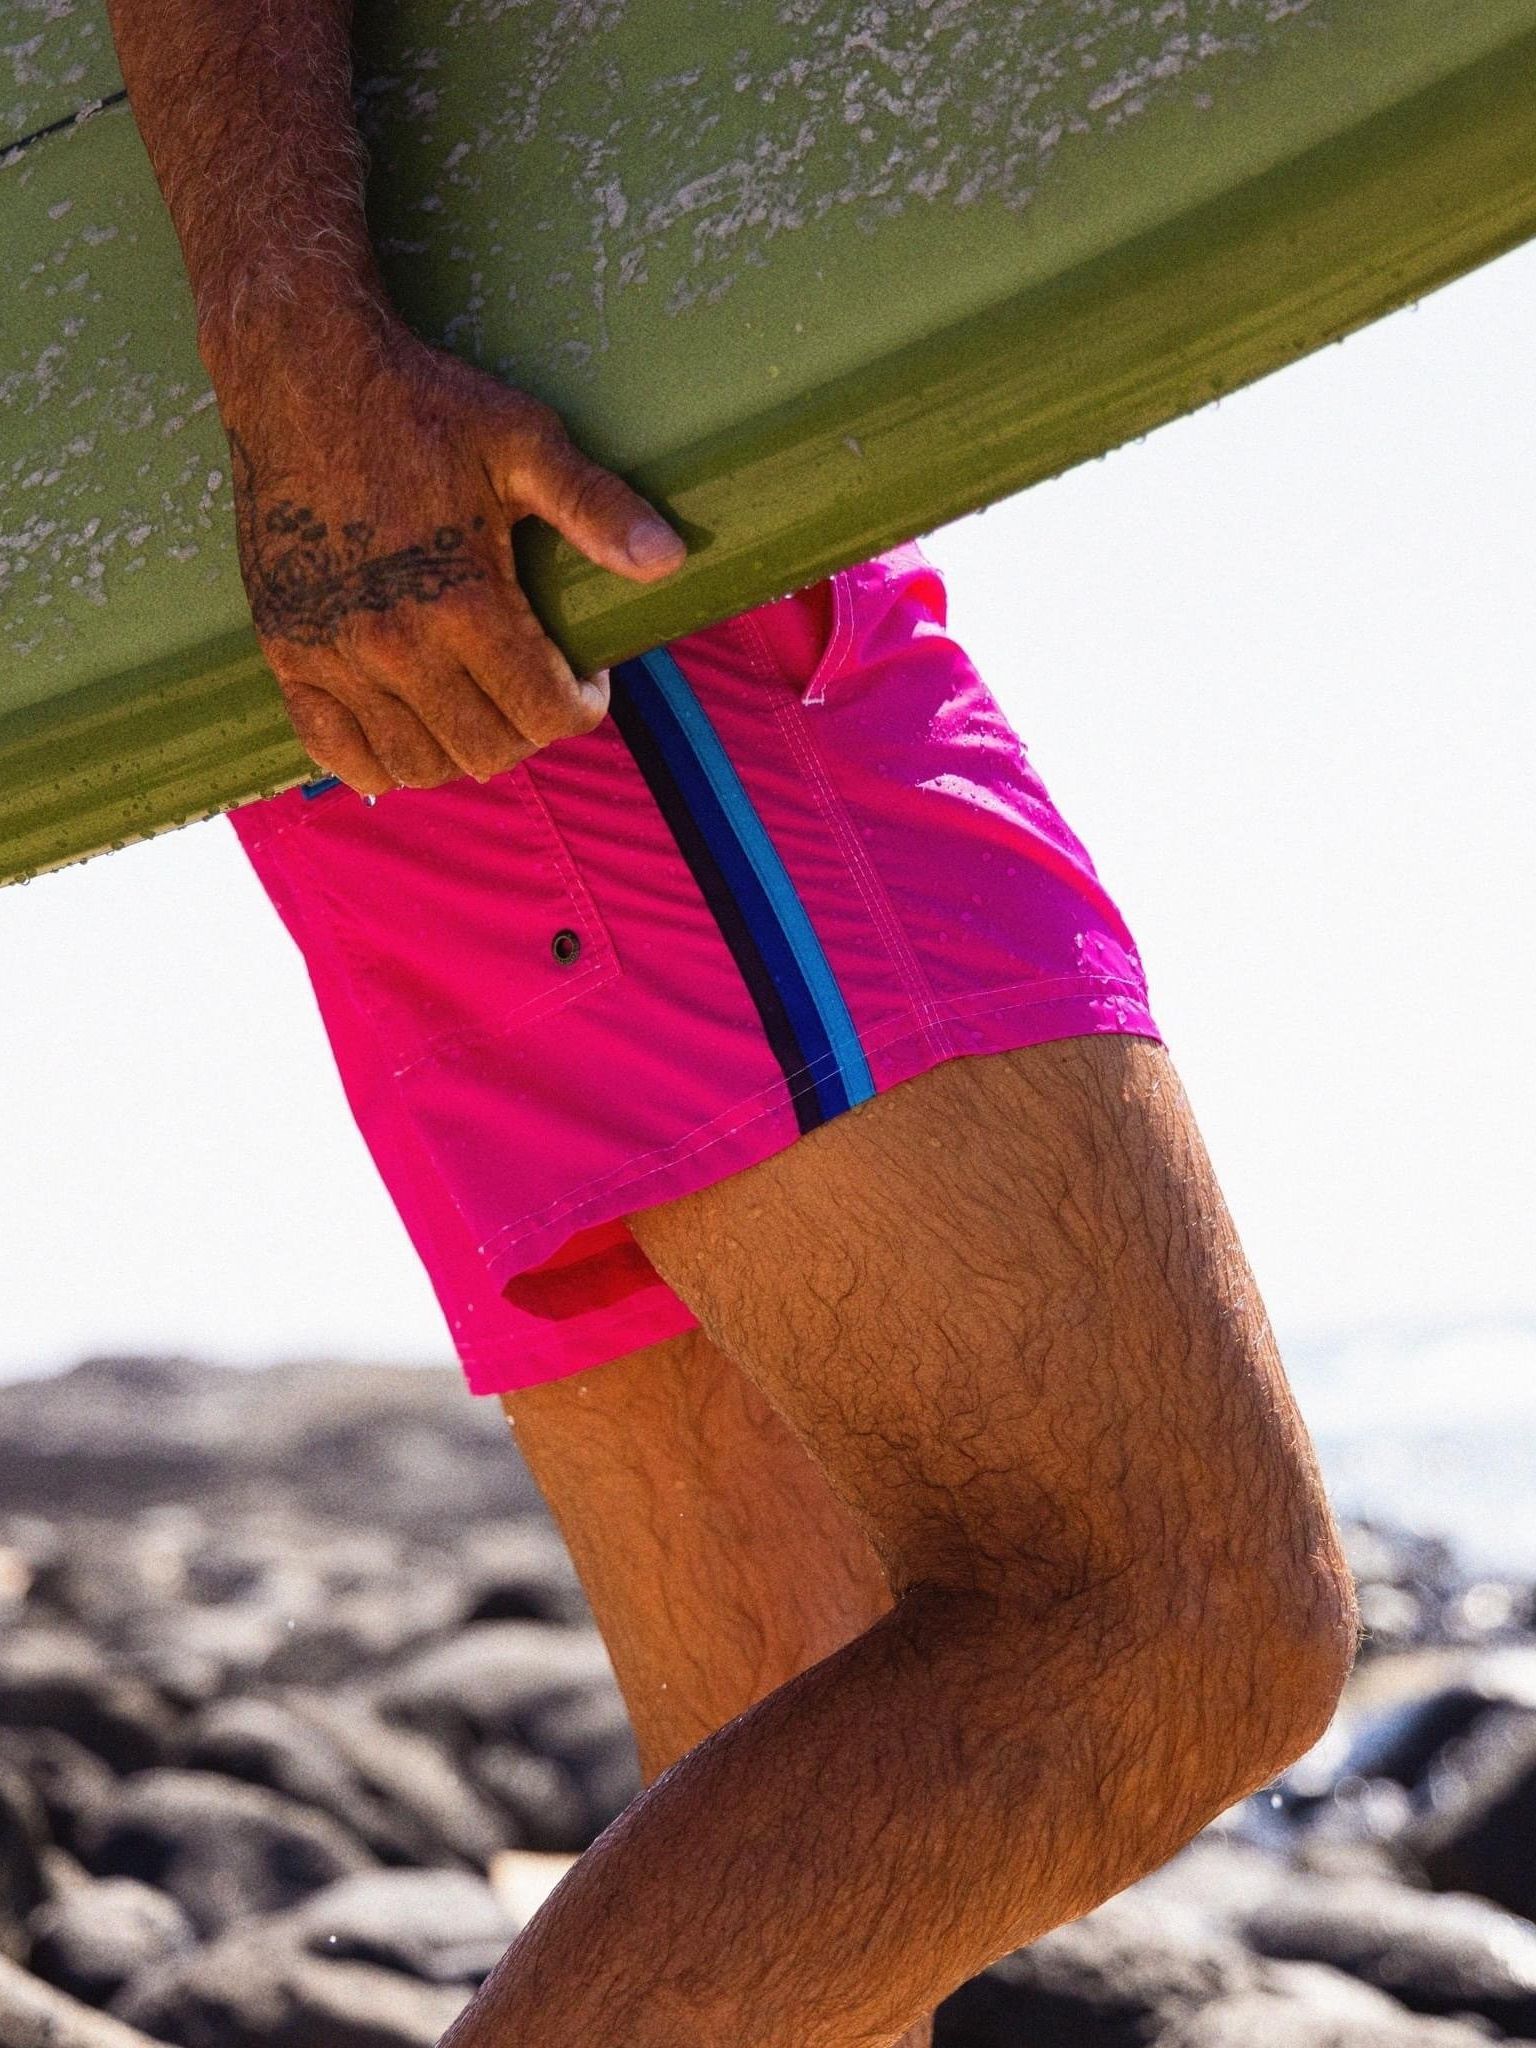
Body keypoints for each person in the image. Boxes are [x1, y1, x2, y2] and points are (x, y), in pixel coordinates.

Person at [101, 3, 1361, 2043]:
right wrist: (303, 354)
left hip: (511, 481)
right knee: (1173, 1613)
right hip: (556, 532)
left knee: (816, 1816)